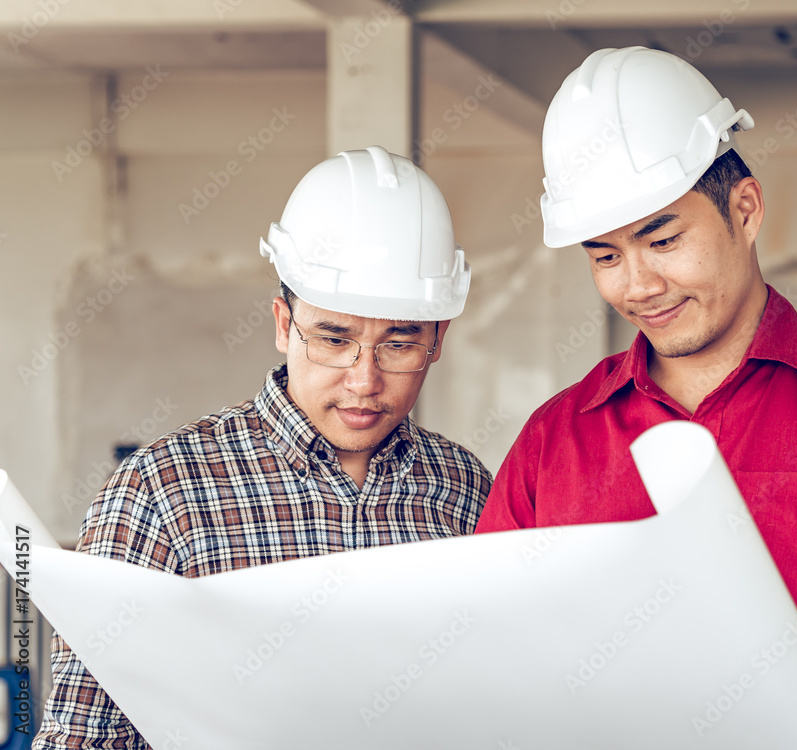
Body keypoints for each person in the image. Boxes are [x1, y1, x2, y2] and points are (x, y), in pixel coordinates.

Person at [476, 47, 797, 750]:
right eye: (605, 256)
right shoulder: (552, 444)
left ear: (745, 210)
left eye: (662, 239)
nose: (637, 285)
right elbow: (489, 666)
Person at [34, 146, 492, 748]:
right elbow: (82, 736)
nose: (364, 379)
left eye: (399, 344)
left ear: (437, 340)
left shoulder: (465, 490)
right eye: (334, 338)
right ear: (283, 323)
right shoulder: (161, 492)